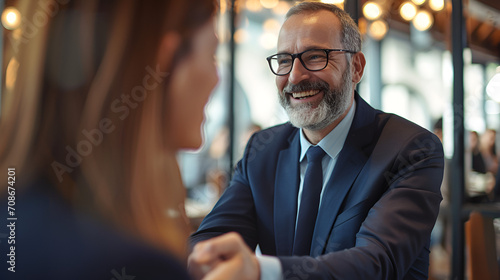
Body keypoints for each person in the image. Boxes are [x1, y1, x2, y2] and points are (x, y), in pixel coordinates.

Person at [188, 2, 444, 280]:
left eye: (315, 57)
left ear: (356, 67)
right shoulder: (262, 150)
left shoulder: (411, 148)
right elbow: (213, 239)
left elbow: (375, 264)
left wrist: (262, 270)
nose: (295, 76)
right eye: (285, 60)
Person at [0, 0, 217, 279]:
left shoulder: (18, 215)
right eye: (212, 53)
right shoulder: (136, 263)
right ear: (161, 62)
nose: (215, 78)